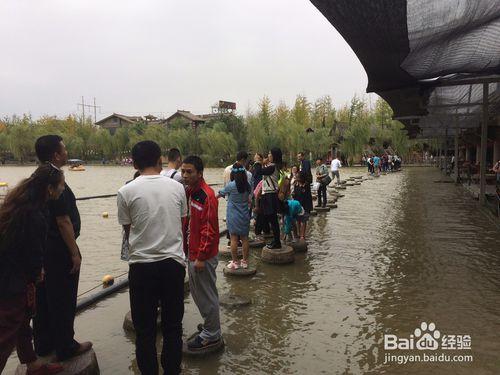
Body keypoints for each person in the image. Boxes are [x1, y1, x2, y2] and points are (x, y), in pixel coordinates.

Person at [117, 141, 187, 374]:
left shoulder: (125, 191)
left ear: (134, 163)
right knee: (173, 326)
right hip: (173, 265)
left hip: (141, 267)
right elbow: (181, 221)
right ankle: (172, 371)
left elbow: (128, 231)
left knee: (144, 330)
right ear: (160, 160)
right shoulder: (178, 188)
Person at [0, 164, 65, 375]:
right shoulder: (35, 215)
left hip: (8, 272)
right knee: (7, 333)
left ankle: (32, 363)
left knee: (22, 323)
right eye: (61, 185)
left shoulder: (18, 203)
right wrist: (37, 273)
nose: (63, 189)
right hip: (12, 282)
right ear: (49, 189)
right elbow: (34, 253)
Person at [33, 135, 92, 361]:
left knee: (43, 298)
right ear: (56, 155)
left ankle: (43, 344)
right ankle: (66, 346)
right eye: (64, 150)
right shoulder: (53, 178)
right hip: (58, 249)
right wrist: (74, 253)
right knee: (63, 298)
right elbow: (63, 220)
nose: (67, 153)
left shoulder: (39, 176)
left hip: (42, 249)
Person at [181, 156, 222, 350]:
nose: (185, 175)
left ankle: (212, 335)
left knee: (206, 295)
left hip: (202, 257)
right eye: (183, 171)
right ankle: (210, 325)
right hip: (192, 254)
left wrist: (201, 257)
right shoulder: (190, 192)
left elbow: (210, 230)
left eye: (189, 172)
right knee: (199, 295)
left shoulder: (207, 196)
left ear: (200, 173)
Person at [217, 163, 252, 270]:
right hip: (245, 215)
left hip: (233, 216)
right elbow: (250, 200)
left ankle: (235, 262)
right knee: (245, 239)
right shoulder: (247, 186)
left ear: (233, 174)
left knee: (234, 239)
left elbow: (220, 193)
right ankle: (245, 262)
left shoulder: (231, 186)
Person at [261, 148, 283, 249]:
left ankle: (277, 242)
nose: (268, 155)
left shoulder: (272, 167)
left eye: (270, 154)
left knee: (273, 220)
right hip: (269, 194)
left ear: (274, 156)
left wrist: (258, 161)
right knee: (272, 220)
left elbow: (258, 171)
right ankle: (276, 240)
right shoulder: (272, 166)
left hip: (270, 195)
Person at [292, 171, 313, 240]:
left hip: (305, 206)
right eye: (296, 177)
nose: (296, 178)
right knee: (297, 220)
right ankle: (298, 233)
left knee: (303, 221)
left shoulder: (306, 185)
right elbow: (295, 195)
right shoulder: (296, 185)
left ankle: (302, 235)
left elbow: (307, 197)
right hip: (298, 205)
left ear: (302, 178)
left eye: (298, 177)